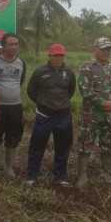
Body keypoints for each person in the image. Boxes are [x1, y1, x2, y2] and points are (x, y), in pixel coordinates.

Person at [76, 37, 111, 187]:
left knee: (109, 144)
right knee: (85, 144)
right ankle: (82, 176)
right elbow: (84, 89)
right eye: (103, 49)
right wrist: (101, 102)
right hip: (90, 114)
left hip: (110, 114)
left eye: (108, 49)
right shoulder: (86, 68)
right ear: (95, 50)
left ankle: (107, 174)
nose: (106, 52)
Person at [25, 43, 76, 186]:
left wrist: (60, 105)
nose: (58, 58)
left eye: (61, 55)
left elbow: (71, 91)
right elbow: (31, 91)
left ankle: (60, 176)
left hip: (63, 116)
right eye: (55, 55)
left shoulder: (69, 72)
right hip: (44, 115)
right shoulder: (40, 72)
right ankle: (32, 176)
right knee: (37, 146)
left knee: (63, 147)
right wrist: (42, 103)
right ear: (50, 55)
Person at [0, 33, 26, 178]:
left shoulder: (21, 63)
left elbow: (20, 81)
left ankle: (9, 167)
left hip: (15, 106)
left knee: (13, 137)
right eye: (11, 44)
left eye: (16, 44)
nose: (14, 47)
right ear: (3, 46)